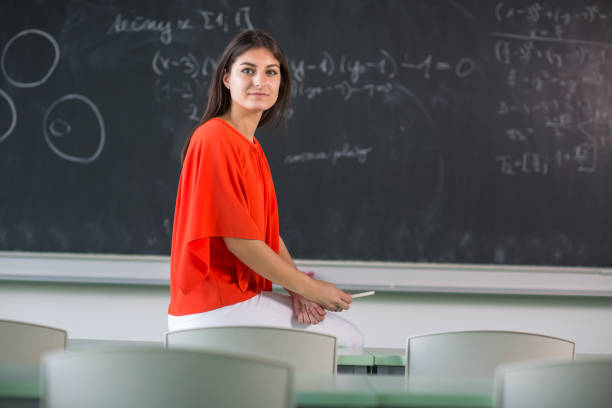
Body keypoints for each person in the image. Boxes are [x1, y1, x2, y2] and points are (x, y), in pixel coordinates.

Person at [168, 30, 363, 348]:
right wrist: (310, 288)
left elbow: (264, 235)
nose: (261, 81)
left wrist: (298, 288)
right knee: (347, 340)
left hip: (236, 302)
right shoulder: (214, 138)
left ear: (281, 83)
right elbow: (241, 243)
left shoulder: (251, 146)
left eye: (271, 72)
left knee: (340, 338)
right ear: (227, 79)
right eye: (248, 70)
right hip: (215, 307)